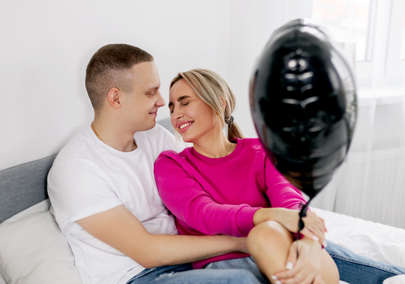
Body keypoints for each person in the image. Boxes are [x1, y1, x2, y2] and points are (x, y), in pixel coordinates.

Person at [154, 68, 405, 284]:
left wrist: (306, 239)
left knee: (371, 268)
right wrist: (275, 216)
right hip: (228, 265)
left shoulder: (259, 151)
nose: (176, 113)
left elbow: (290, 199)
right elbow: (204, 214)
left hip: (281, 244)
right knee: (267, 231)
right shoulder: (171, 164)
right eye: (171, 106)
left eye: (184, 101)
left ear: (218, 102)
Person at [47, 44, 261, 284]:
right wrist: (241, 243)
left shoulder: (155, 137)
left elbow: (204, 193)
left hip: (190, 261)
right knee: (241, 279)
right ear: (116, 98)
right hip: (139, 276)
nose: (161, 102)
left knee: (273, 265)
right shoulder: (76, 169)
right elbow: (147, 252)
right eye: (151, 92)